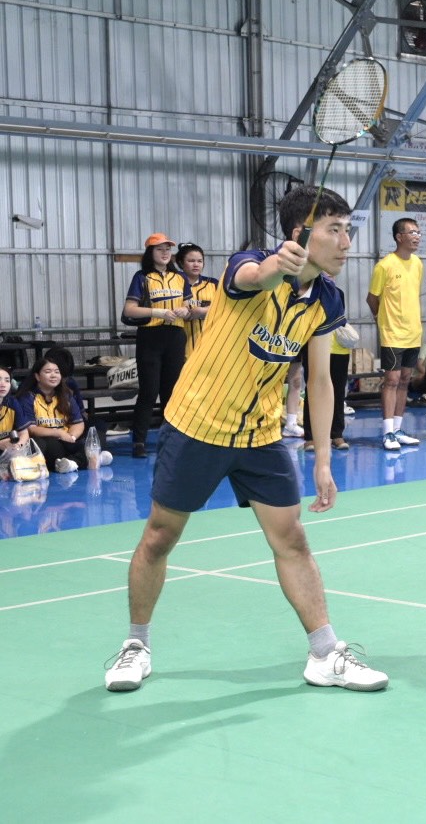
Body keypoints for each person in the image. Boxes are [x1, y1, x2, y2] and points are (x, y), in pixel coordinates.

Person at [102, 183, 387, 694]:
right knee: (160, 536)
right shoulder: (249, 263)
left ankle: (325, 654)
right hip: (198, 424)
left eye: (348, 231)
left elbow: (321, 381)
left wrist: (322, 459)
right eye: (335, 230)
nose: (347, 243)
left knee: (292, 539)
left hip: (261, 434)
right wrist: (279, 264)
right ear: (302, 234)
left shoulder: (327, 298)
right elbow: (252, 278)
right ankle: (136, 645)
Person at [122, 233, 191, 457]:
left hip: (176, 336)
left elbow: (188, 306)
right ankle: (139, 441)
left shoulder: (180, 277)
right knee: (149, 391)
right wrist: (158, 312)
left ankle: (170, 439)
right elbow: (129, 310)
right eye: (159, 249)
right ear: (150, 252)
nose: (164, 253)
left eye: (167, 249)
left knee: (172, 392)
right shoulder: (142, 277)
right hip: (151, 336)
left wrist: (185, 310)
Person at [367, 217, 424, 451]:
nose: (417, 237)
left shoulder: (418, 263)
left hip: (413, 333)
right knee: (391, 381)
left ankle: (398, 430)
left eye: (418, 233)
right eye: (412, 232)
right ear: (399, 237)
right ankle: (387, 432)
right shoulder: (384, 266)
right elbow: (372, 298)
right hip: (392, 333)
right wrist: (382, 320)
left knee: (405, 380)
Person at [12, 357, 113, 473]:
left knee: (97, 434)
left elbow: (78, 423)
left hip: (68, 439)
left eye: (57, 372)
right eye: (48, 372)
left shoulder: (66, 395)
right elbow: (32, 429)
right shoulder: (27, 398)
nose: (53, 375)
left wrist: (72, 437)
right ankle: (93, 458)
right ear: (37, 376)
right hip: (49, 441)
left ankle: (73, 462)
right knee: (50, 446)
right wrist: (59, 433)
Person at [299, 324, 353, 452]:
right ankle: (310, 436)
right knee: (312, 391)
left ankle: (337, 434)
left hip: (339, 347)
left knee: (338, 392)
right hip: (314, 345)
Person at [175, 242, 218, 358]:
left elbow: (226, 308)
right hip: (179, 347)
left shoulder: (214, 284)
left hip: (209, 347)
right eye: (191, 261)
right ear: (181, 263)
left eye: (199, 261)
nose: (196, 265)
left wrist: (203, 311)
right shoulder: (173, 284)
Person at [0, 366, 29, 453]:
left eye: (7, 380)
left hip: (9, 450)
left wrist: (18, 446)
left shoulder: (12, 402)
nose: (3, 384)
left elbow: (24, 433)